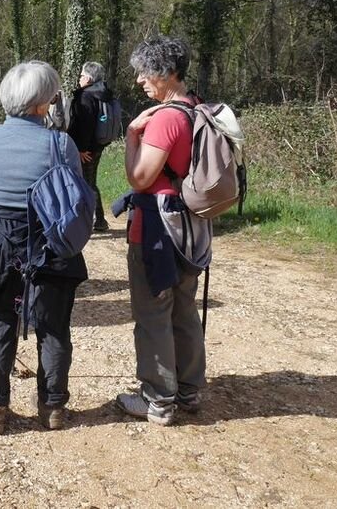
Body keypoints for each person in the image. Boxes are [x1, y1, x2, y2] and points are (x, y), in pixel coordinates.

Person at [0, 61, 88, 434]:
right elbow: (73, 196)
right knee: (53, 326)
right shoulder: (61, 144)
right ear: (41, 103)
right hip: (50, 243)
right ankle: (53, 406)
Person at [113, 36, 211, 426]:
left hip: (157, 227)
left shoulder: (166, 118)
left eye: (146, 72)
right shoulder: (196, 107)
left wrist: (132, 136)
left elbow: (139, 178)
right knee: (184, 308)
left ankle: (158, 400)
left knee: (153, 311)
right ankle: (189, 390)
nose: (139, 80)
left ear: (168, 73)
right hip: (191, 226)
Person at [68, 61, 116, 232]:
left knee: (86, 182)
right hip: (98, 145)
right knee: (89, 181)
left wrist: (81, 148)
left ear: (88, 78)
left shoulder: (86, 96)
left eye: (81, 75)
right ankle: (96, 219)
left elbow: (85, 124)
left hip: (85, 148)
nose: (79, 78)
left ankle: (97, 219)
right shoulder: (104, 94)